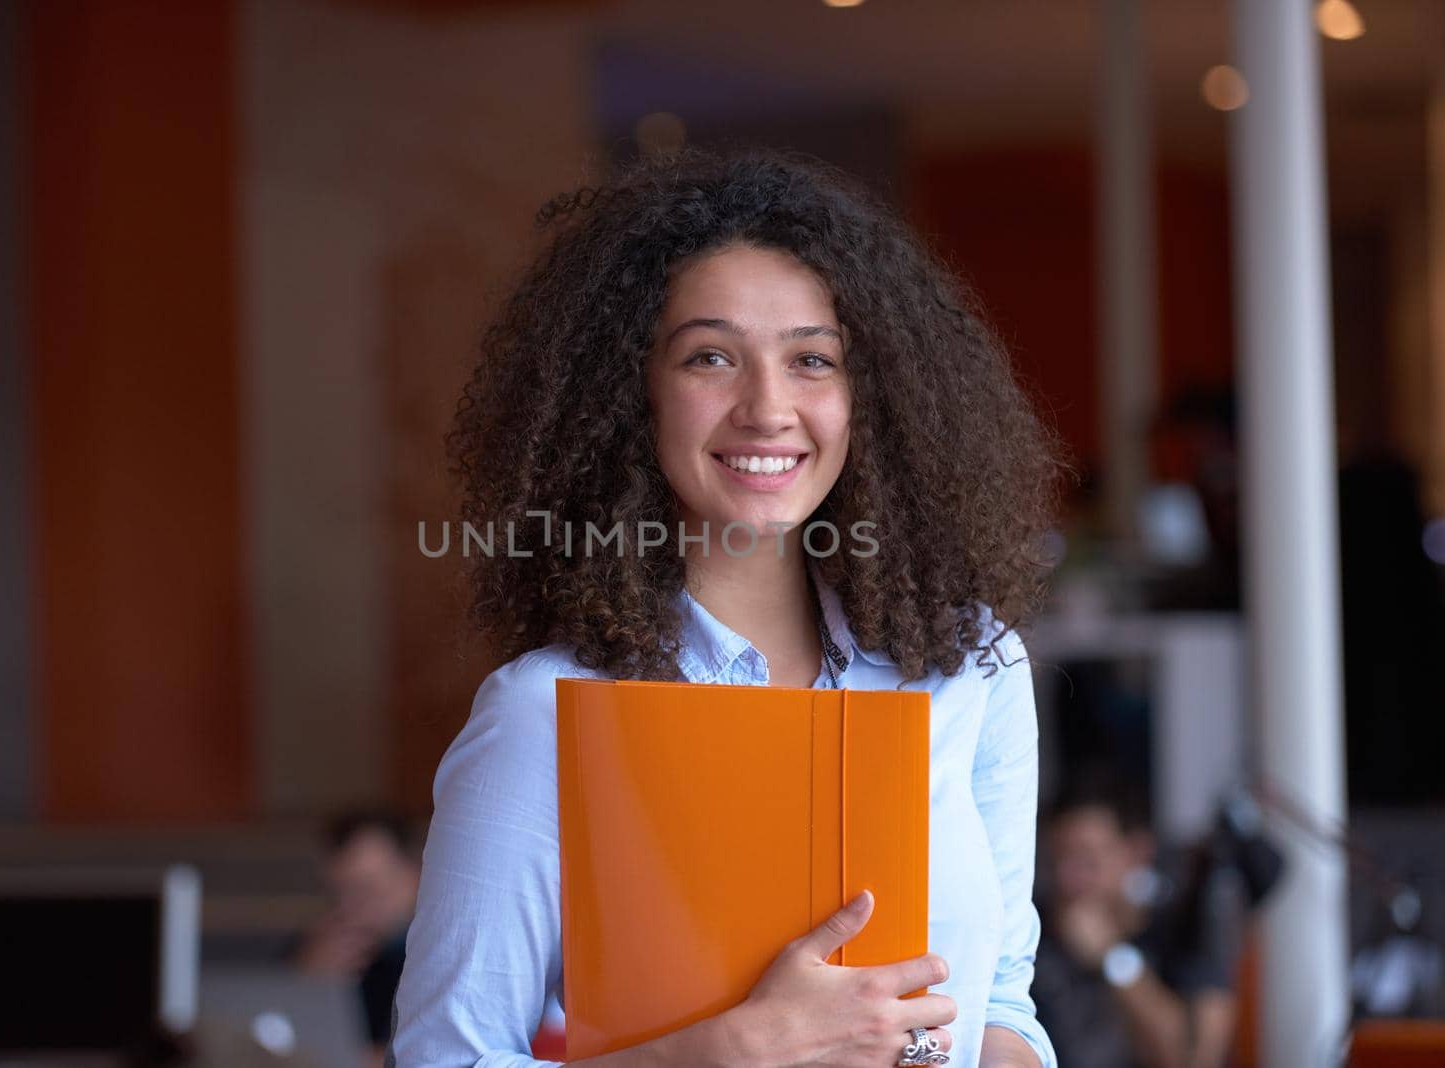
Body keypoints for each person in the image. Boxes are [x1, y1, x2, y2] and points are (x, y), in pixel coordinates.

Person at [391, 150, 1064, 1068]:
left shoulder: (968, 663)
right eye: (711, 357)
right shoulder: (546, 712)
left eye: (812, 360)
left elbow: (1001, 1007)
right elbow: (444, 1059)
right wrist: (729, 1051)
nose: (767, 407)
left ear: (873, 397)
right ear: (633, 394)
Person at [1030, 789, 1236, 1068]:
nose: (1068, 879)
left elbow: (1191, 1058)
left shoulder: (1178, 924)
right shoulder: (1035, 933)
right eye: (1057, 861)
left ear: (1135, 853)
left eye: (1087, 860)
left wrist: (1111, 957)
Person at [298, 808, 422, 1060]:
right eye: (338, 893)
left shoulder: (439, 960)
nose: (351, 908)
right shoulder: (318, 950)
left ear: (415, 875)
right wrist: (307, 984)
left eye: (368, 890)